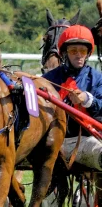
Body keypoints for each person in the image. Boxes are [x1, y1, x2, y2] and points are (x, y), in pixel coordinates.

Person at [43, 25, 102, 170]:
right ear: (64, 53)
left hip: (86, 141)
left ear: (88, 53)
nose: (79, 55)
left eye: (83, 51)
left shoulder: (97, 78)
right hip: (52, 141)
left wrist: (87, 100)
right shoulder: (48, 79)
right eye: (73, 50)